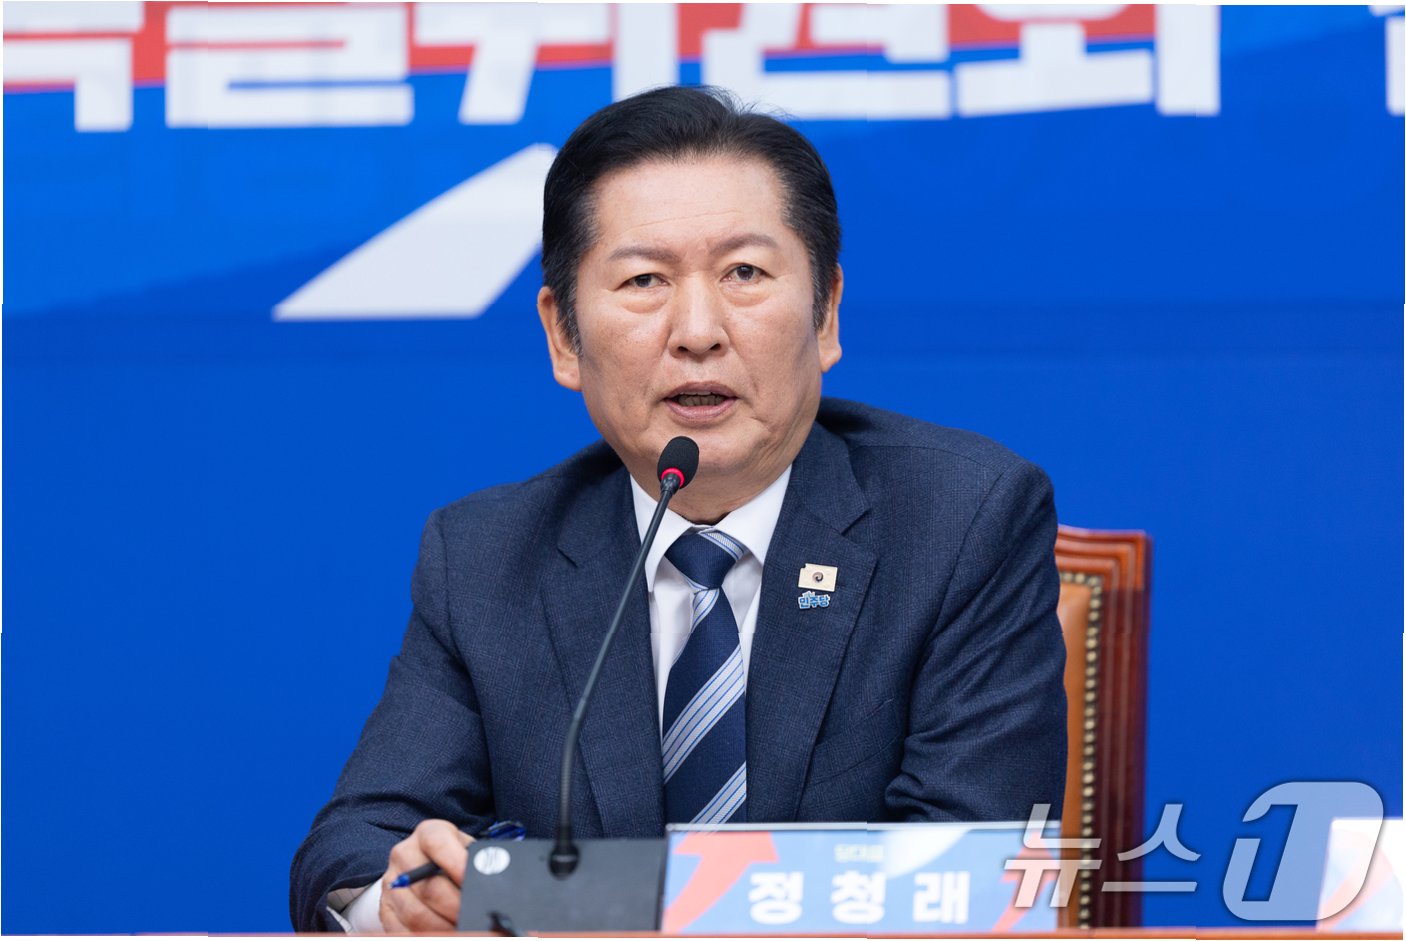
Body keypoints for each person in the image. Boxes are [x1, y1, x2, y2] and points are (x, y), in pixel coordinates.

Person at [290, 85, 1067, 934]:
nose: (698, 329)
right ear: (563, 336)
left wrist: (543, 899)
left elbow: (967, 873)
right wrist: (402, 905)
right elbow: (357, 844)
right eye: (644, 280)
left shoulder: (960, 519)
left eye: (744, 273)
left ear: (827, 313)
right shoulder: (486, 555)